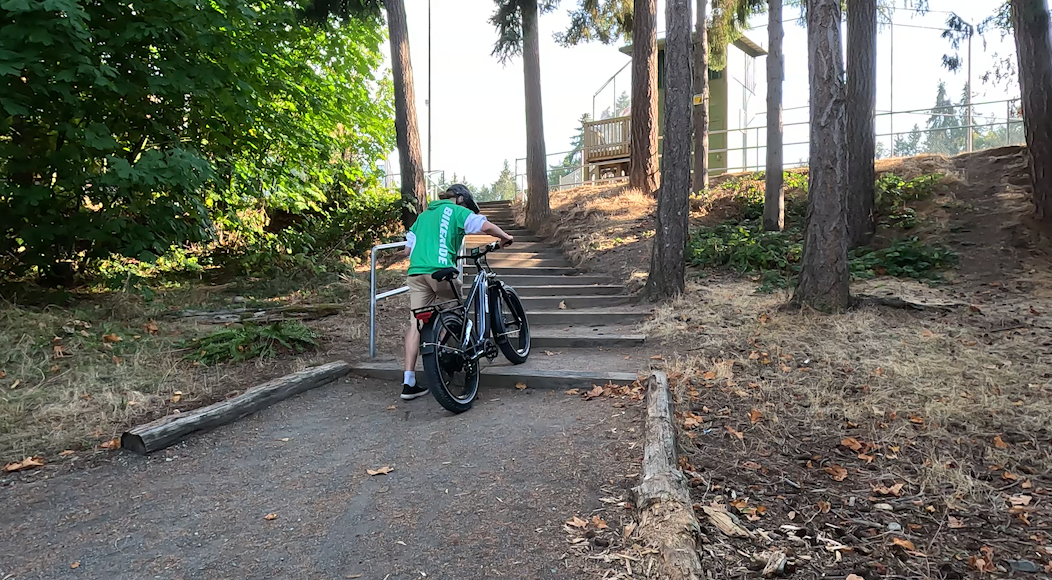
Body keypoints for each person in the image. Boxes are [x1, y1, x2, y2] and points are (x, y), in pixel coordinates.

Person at [400, 184, 514, 400]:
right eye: (468, 205)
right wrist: (505, 236)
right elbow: (485, 226)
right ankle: (444, 361)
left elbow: (407, 249)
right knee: (454, 314)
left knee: (415, 323)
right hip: (441, 271)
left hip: (416, 273)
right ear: (460, 199)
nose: (469, 209)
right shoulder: (456, 211)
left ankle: (408, 381)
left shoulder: (422, 217)